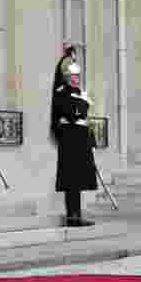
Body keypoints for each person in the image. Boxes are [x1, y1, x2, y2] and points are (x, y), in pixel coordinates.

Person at [51, 44, 97, 227]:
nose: (76, 79)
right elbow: (71, 113)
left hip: (79, 136)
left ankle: (77, 213)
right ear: (66, 76)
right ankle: (72, 215)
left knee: (79, 179)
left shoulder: (80, 94)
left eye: (78, 76)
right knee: (71, 179)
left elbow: (85, 117)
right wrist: (81, 107)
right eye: (73, 76)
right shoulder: (62, 93)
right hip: (69, 136)